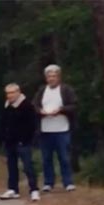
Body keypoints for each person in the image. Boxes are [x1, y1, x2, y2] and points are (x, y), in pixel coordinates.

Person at [32, 64, 78, 192]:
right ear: (46, 78)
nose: (51, 79)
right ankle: (48, 182)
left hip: (62, 130)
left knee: (64, 157)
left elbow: (73, 105)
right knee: (46, 158)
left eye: (54, 76)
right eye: (49, 76)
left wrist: (61, 110)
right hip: (45, 130)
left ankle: (68, 182)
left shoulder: (66, 90)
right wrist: (40, 111)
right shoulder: (42, 91)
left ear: (59, 77)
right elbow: (34, 105)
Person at [0, 83, 40, 201]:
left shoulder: (27, 106)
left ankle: (34, 190)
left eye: (12, 93)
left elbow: (32, 125)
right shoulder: (6, 106)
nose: (9, 95)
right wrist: (2, 137)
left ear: (18, 92)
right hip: (9, 141)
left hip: (23, 141)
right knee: (11, 166)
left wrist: (25, 139)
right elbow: (3, 123)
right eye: (7, 93)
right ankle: (13, 189)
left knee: (28, 166)